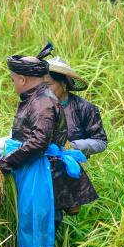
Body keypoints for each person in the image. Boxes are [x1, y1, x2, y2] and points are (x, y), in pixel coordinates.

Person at [0, 42, 73, 247]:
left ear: (22, 79)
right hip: (32, 170)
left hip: (43, 174)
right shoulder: (35, 98)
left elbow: (39, 141)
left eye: (13, 80)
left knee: (40, 225)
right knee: (31, 221)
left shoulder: (43, 103)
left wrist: (5, 163)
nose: (13, 84)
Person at [45, 56, 101, 215]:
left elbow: (100, 141)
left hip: (71, 166)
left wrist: (72, 146)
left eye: (48, 85)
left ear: (64, 84)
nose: (43, 90)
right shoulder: (39, 106)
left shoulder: (85, 108)